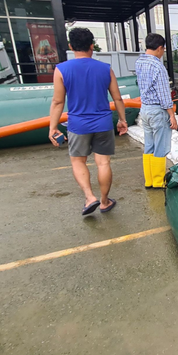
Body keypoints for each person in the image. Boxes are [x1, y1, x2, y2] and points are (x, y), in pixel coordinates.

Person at [49, 27, 128, 215]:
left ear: (70, 46)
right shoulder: (105, 69)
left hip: (78, 125)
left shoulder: (61, 70)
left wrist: (53, 127)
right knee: (103, 163)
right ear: (92, 45)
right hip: (103, 123)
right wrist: (122, 120)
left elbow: (58, 101)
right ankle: (104, 202)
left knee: (78, 161)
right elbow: (117, 98)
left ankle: (89, 197)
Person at [136, 33, 178, 188]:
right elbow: (164, 95)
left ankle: (149, 181)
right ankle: (159, 182)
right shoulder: (158, 67)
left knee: (149, 145)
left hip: (145, 109)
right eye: (163, 50)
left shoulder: (139, 62)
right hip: (157, 111)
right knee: (161, 146)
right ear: (160, 48)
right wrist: (172, 115)